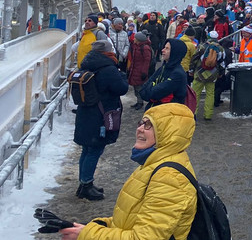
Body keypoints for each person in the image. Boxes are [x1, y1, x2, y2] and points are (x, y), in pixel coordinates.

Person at [58, 103, 199, 240]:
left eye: (149, 125)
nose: (140, 129)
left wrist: (88, 235)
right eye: (141, 123)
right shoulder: (153, 165)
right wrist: (94, 227)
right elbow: (131, 218)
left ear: (169, 134)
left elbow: (144, 237)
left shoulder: (170, 178)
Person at [73, 40, 128, 201]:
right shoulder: (108, 68)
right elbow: (121, 89)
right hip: (100, 115)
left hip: (86, 113)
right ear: (107, 51)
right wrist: (122, 76)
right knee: (94, 150)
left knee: (86, 149)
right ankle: (86, 186)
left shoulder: (87, 64)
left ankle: (84, 183)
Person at [139, 39, 188, 108]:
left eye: (167, 48)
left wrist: (151, 89)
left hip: (168, 113)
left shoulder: (178, 74)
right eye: (164, 47)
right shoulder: (163, 68)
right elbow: (143, 90)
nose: (162, 50)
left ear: (175, 52)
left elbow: (154, 93)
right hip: (155, 110)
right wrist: (150, 90)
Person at [190, 30, 225, 121]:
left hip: (199, 73)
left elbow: (194, 58)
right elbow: (222, 62)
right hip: (212, 74)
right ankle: (208, 115)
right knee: (210, 94)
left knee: (195, 94)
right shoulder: (220, 48)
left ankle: (193, 113)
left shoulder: (202, 46)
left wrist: (191, 70)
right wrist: (220, 73)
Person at [127, 31, 153, 110]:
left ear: (138, 39)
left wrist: (144, 72)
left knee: (139, 88)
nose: (134, 39)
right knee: (136, 87)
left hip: (140, 71)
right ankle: (138, 101)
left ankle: (140, 102)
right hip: (135, 70)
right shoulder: (135, 46)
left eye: (135, 38)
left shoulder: (145, 48)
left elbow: (147, 61)